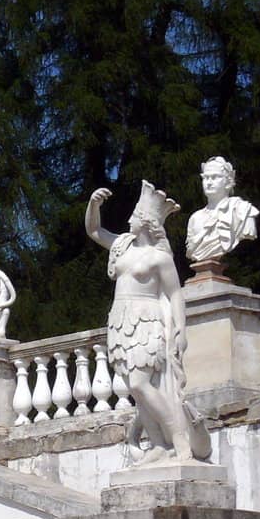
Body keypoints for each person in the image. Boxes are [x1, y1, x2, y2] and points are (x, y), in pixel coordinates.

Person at [85, 182, 210, 464]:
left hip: (147, 319)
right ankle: (157, 444)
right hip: (121, 320)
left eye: (135, 215)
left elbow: (175, 294)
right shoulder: (122, 246)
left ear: (146, 221)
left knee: (141, 384)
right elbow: (94, 231)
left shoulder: (159, 258)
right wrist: (94, 205)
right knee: (135, 389)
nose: (129, 218)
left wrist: (181, 330)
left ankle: (179, 442)